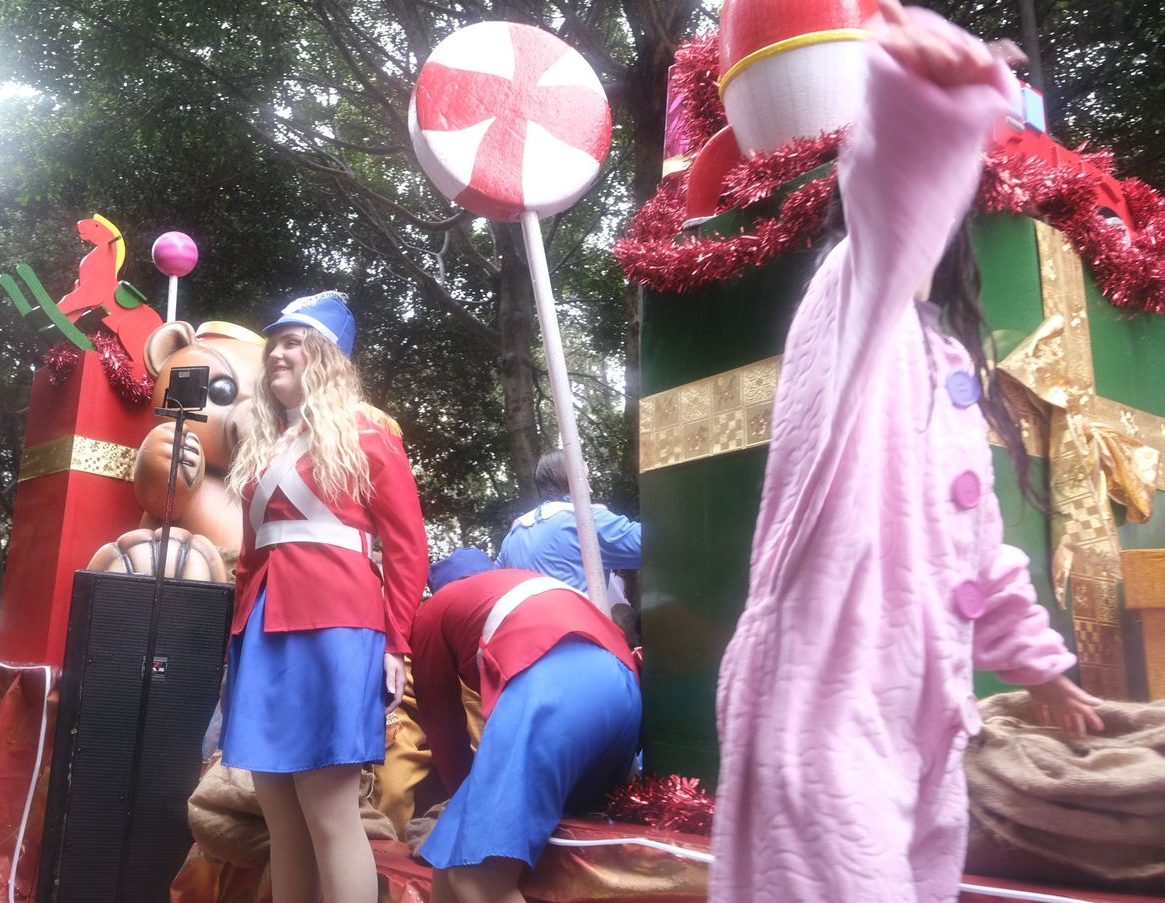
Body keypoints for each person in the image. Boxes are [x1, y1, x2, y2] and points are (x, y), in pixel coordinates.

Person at [709, 4, 1104, 901]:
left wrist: (1041, 667)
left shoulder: (944, 362)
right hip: (819, 702)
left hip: (916, 716)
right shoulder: (847, 298)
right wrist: (926, 97)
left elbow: (983, 551)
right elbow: (884, 188)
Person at [221, 291, 429, 903]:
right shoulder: (260, 447)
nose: (277, 353)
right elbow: (251, 557)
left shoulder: (369, 435)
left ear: (327, 358)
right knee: (280, 815)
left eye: (294, 342)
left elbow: (407, 548)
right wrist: (235, 647)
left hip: (338, 625)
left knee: (329, 810)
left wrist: (397, 641)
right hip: (261, 631)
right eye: (274, 343)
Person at [411, 550, 641, 903]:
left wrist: (473, 800)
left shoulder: (436, 608)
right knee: (450, 857)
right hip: (623, 693)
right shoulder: (529, 585)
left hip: (552, 689)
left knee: (476, 873)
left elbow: (443, 725)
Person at [497, 448, 642, 610]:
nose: (590, 489)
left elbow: (494, 585)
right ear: (572, 482)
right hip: (580, 632)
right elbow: (658, 542)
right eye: (586, 480)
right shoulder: (585, 521)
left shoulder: (510, 539)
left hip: (525, 633)